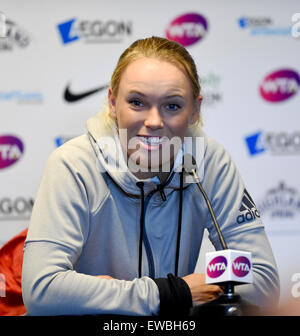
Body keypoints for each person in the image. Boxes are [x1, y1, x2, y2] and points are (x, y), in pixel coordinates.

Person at [22, 36, 279, 316]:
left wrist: (108, 295)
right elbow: (42, 290)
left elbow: (263, 282)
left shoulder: (210, 161)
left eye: (172, 105)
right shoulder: (73, 164)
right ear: (112, 102)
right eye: (136, 102)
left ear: (195, 109)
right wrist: (173, 294)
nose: (154, 122)